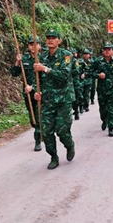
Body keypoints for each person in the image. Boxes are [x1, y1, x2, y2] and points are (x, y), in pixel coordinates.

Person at [33, 28, 76, 170]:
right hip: (48, 101)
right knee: (47, 131)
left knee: (62, 131)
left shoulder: (66, 56)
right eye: (48, 37)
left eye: (53, 37)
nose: (50, 40)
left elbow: (64, 75)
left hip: (63, 100)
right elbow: (37, 79)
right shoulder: (42, 57)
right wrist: (36, 90)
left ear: (59, 40)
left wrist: (45, 69)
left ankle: (69, 145)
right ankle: (53, 157)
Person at [9, 35, 42, 151]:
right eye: (30, 44)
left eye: (35, 44)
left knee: (38, 117)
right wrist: (17, 62)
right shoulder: (25, 59)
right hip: (28, 94)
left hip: (41, 92)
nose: (33, 46)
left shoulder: (44, 58)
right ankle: (39, 131)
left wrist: (32, 87)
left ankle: (38, 140)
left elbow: (45, 77)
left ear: (39, 45)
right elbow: (14, 73)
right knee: (32, 119)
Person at [92, 41, 113, 137]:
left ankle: (111, 127)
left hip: (112, 89)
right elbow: (90, 73)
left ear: (112, 51)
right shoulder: (97, 62)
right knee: (103, 109)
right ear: (102, 51)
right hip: (101, 89)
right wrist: (98, 75)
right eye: (105, 49)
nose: (107, 51)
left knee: (111, 108)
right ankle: (104, 119)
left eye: (109, 49)